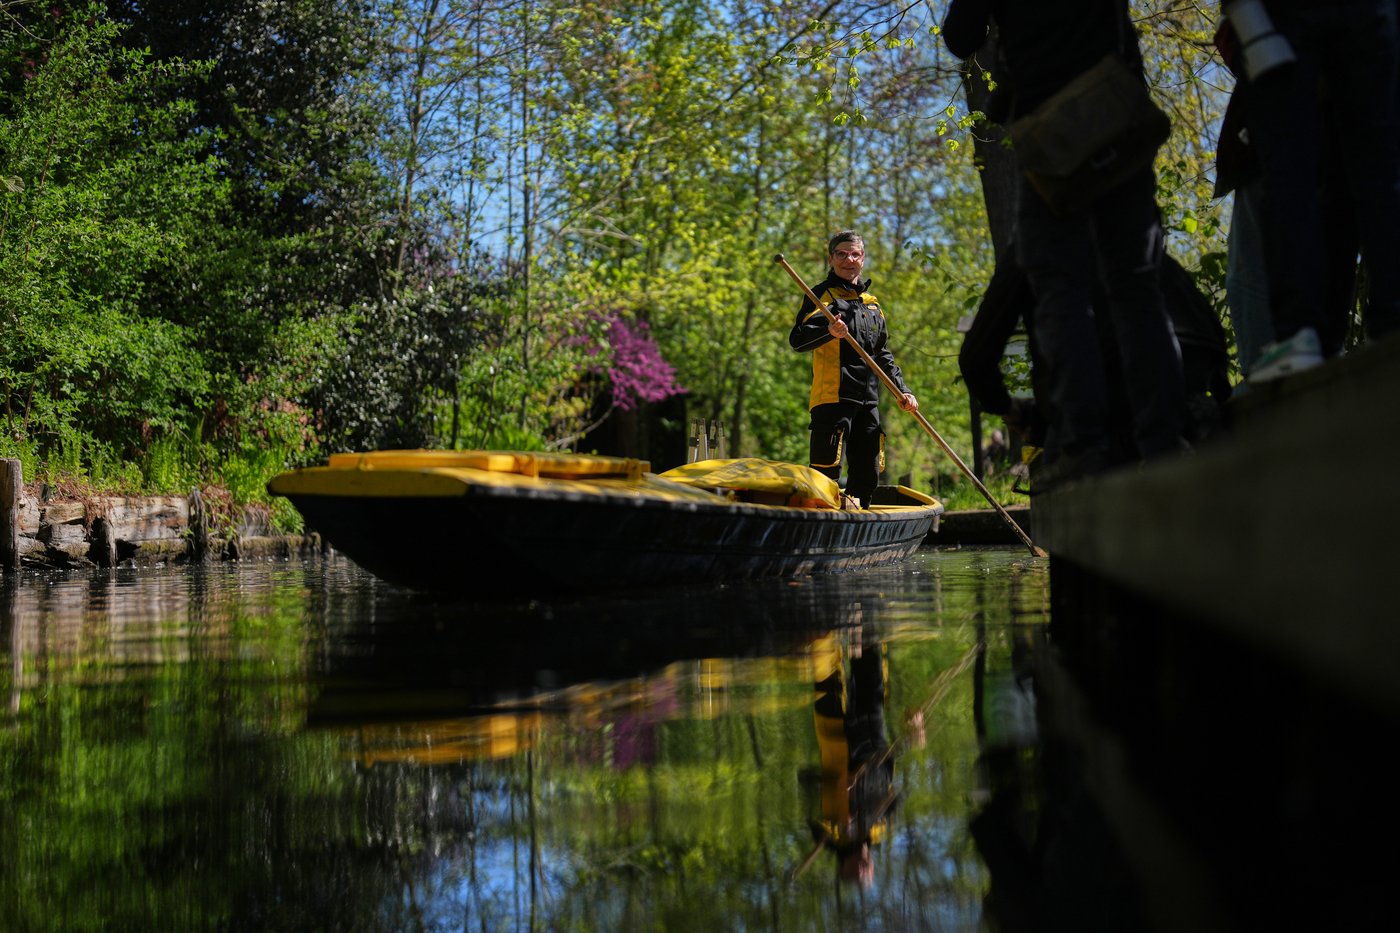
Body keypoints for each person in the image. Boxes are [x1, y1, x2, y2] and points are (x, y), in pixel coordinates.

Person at [943, 0, 1188, 489]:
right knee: (1136, 285)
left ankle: (1083, 443)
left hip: (1053, 126)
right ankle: (1165, 443)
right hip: (1118, 109)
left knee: (1058, 288)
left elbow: (959, 36)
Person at [1229, 0, 1400, 380]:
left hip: (1281, 18)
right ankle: (1390, 313)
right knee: (1377, 164)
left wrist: (1245, 18)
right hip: (1369, 16)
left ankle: (1300, 333)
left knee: (1290, 170)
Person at [789, 232, 918, 509]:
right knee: (827, 472)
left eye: (855, 254)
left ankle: (858, 519)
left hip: (868, 400)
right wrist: (829, 331)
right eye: (842, 254)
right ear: (831, 259)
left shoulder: (872, 304)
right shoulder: (821, 296)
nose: (849, 260)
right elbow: (797, 340)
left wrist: (902, 390)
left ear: (863, 259)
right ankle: (822, 521)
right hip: (833, 398)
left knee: (869, 472)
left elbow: (882, 353)